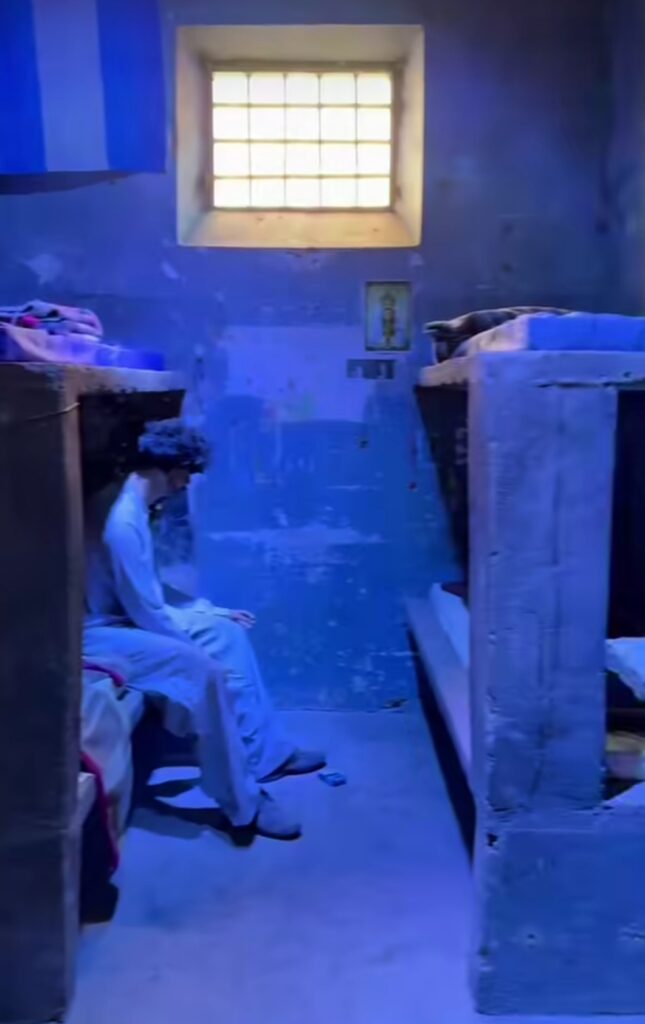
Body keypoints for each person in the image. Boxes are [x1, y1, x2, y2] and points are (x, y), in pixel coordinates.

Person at [83, 419, 325, 840]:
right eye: (188, 474)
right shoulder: (122, 521)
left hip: (126, 614)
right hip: (99, 632)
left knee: (229, 633)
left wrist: (212, 612)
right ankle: (244, 805)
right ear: (174, 468)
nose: (187, 484)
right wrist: (196, 649)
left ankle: (267, 755)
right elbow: (146, 611)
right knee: (205, 671)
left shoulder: (134, 502)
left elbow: (147, 591)